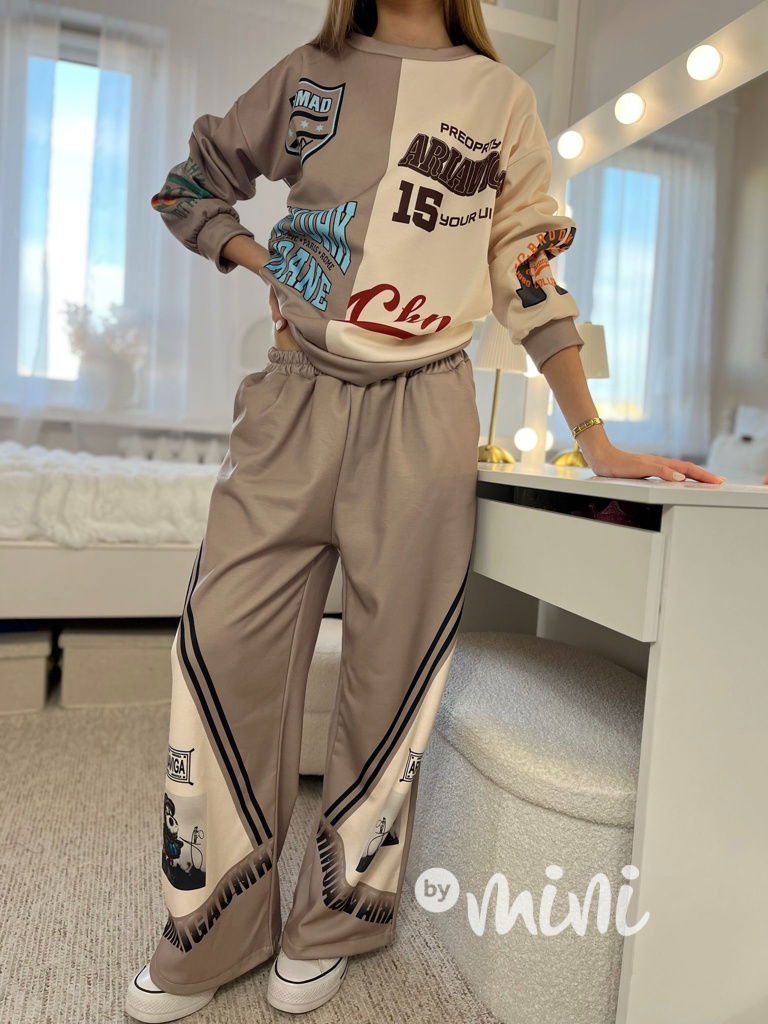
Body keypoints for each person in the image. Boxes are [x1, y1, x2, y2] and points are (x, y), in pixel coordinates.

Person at [125, 1, 723, 1020]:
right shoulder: (308, 71)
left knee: (391, 669)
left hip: (426, 409)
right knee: (220, 644)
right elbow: (191, 186)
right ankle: (209, 925)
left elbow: (527, 275)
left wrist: (595, 437)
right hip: (292, 399)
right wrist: (257, 257)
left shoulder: (502, 99)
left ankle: (337, 920)